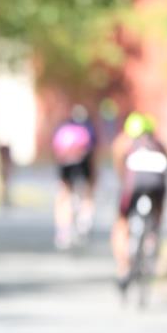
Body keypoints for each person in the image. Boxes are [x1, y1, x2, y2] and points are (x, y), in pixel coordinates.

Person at [110, 112, 167, 288]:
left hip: (134, 185)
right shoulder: (157, 144)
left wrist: (123, 179)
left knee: (121, 223)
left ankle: (123, 268)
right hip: (157, 186)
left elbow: (119, 164)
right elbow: (166, 167)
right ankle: (153, 239)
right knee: (157, 213)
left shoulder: (125, 143)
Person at [51, 104, 97, 249]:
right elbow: (93, 152)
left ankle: (63, 231)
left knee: (64, 194)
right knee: (87, 192)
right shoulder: (88, 128)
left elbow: (56, 149)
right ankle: (85, 219)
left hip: (65, 164)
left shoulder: (63, 128)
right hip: (83, 164)